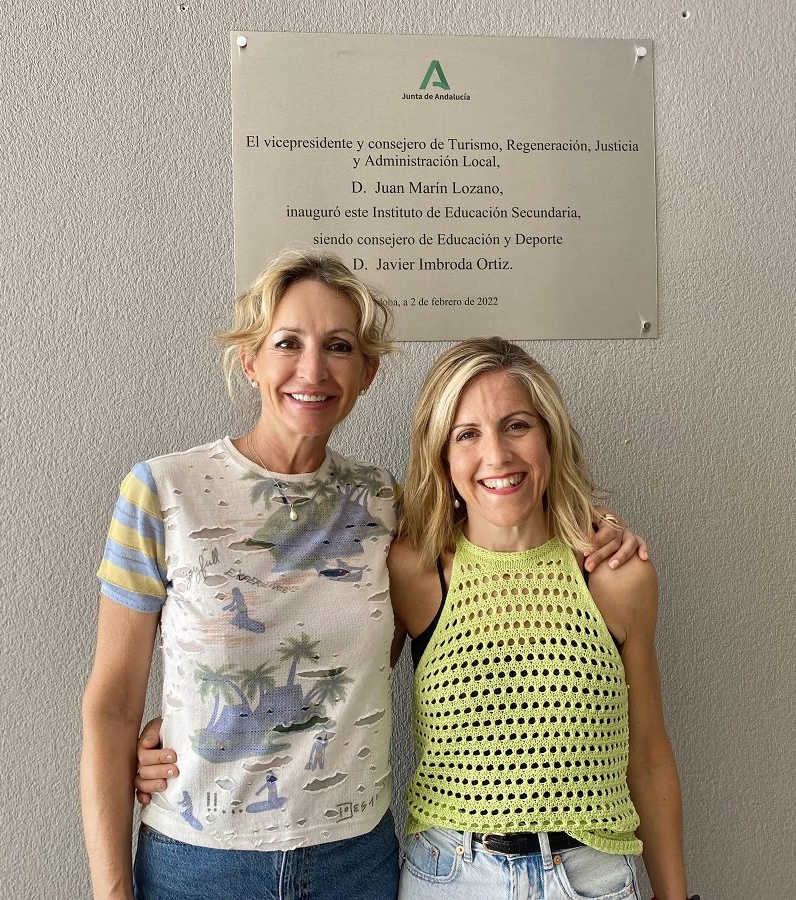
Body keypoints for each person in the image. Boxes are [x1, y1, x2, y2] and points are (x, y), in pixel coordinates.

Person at [83, 253, 646, 900]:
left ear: (367, 372)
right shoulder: (162, 492)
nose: (312, 369)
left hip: (352, 864)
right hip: (199, 864)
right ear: (250, 360)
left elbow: (498, 522)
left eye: (339, 346)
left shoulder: (383, 505)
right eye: (287, 343)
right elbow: (112, 706)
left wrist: (598, 527)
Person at [388, 337, 692, 900]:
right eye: (467, 434)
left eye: (517, 426)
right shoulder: (414, 572)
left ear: (550, 436)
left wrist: (674, 896)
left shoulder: (616, 576)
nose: (497, 456)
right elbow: (344, 710)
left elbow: (648, 755)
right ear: (442, 456)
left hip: (593, 878)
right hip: (450, 876)